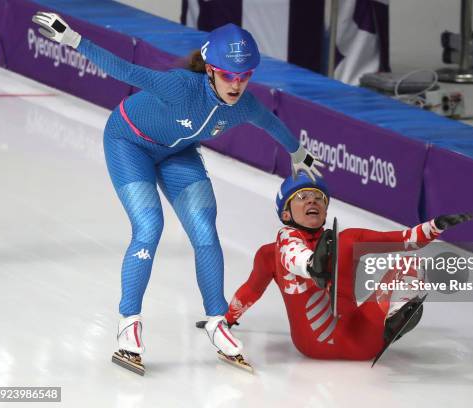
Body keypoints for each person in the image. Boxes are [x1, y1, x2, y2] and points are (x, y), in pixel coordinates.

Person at [32, 12, 324, 372]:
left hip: (176, 152)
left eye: (245, 76)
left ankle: (217, 322)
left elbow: (271, 123)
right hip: (129, 144)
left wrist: (298, 152)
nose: (237, 85)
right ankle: (128, 326)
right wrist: (75, 40)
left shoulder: (243, 105)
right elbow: (126, 71)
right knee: (148, 228)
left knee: (205, 230)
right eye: (229, 75)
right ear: (212, 69)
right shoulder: (179, 87)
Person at [223, 172, 473, 361]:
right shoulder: (273, 251)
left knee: (409, 263)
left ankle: (394, 320)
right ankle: (311, 266)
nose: (313, 201)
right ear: (286, 213)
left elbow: (406, 240)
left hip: (361, 337)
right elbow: (251, 290)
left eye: (319, 198)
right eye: (303, 196)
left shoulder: (348, 239)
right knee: (286, 241)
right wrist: (226, 321)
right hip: (318, 341)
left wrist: (436, 226)